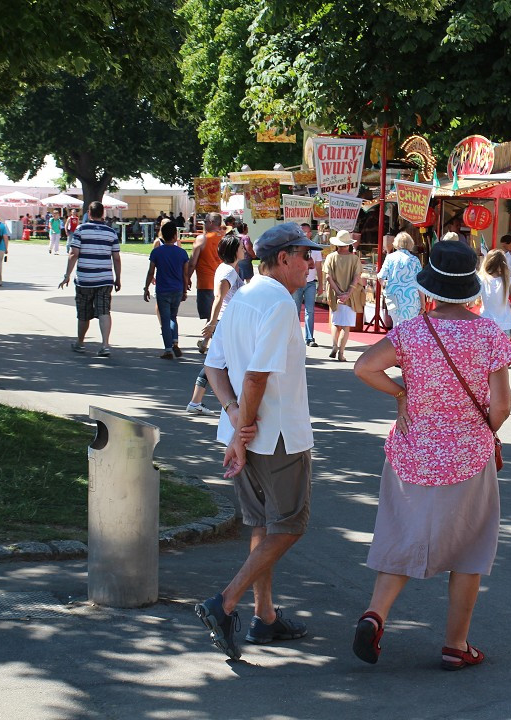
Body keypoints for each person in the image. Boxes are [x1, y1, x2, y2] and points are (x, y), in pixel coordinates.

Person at [351, 239, 511, 670]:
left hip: (410, 454)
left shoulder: (411, 331)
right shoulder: (488, 335)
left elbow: (364, 366)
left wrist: (401, 392)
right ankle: (456, 645)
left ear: (429, 291)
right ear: (470, 290)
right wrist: (484, 431)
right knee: (470, 550)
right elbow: (502, 405)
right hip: (468, 457)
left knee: (403, 536)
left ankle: (375, 614)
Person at [195, 222, 324, 661]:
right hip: (278, 435)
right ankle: (226, 602)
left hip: (248, 432)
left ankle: (264, 616)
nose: (310, 263)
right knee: (290, 525)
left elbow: (214, 368)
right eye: (305, 254)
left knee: (263, 525)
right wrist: (243, 429)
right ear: (283, 258)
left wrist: (234, 419)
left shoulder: (241, 296)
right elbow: (255, 376)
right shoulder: (280, 302)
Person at [187, 235, 246, 414]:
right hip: (226, 322)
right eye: (241, 247)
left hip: (226, 321)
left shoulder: (228, 269)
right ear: (234, 250)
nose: (244, 249)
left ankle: (197, 401)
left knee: (219, 362)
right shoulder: (228, 271)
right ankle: (201, 402)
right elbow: (219, 297)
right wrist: (212, 323)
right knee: (218, 363)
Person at [59, 201, 121, 357]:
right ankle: (105, 344)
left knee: (84, 312)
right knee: (104, 311)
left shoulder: (81, 230)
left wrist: (67, 275)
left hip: (85, 278)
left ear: (89, 213)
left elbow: (74, 254)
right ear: (103, 213)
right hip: (105, 278)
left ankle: (80, 343)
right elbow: (116, 257)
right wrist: (118, 278)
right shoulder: (110, 232)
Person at [144, 221, 190, 359]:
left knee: (165, 319)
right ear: (175, 236)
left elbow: (151, 271)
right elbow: (185, 274)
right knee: (173, 317)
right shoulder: (182, 253)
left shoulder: (157, 252)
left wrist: (146, 288)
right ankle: (175, 341)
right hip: (177, 289)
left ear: (162, 235)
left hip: (163, 289)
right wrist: (185, 290)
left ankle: (168, 349)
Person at [322, 230, 364, 361]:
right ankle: (341, 352)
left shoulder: (330, 257)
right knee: (346, 326)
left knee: (335, 323)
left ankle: (334, 345)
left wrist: (339, 293)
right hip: (350, 297)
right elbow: (357, 277)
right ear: (348, 244)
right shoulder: (354, 258)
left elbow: (328, 277)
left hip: (335, 295)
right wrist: (347, 293)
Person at [188, 212, 225, 353]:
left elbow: (192, 262)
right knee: (214, 315)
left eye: (205, 221)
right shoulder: (225, 239)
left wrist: (187, 278)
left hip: (206, 282)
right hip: (223, 283)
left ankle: (216, 346)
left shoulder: (202, 239)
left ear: (210, 222)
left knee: (211, 314)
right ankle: (205, 342)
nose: (203, 224)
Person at [377, 231, 425, 327]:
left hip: (394, 296)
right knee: (410, 327)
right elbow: (420, 283)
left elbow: (380, 276)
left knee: (396, 324)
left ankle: (397, 341)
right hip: (411, 297)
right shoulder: (415, 260)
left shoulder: (390, 258)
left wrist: (386, 286)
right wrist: (423, 304)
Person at [291, 222, 324, 346]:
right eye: (302, 231)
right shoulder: (295, 248)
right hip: (298, 283)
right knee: (295, 310)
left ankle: (310, 338)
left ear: (310, 233)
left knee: (310, 310)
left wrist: (321, 284)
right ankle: (294, 336)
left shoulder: (315, 249)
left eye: (307, 231)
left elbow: (319, 268)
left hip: (310, 283)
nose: (305, 234)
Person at [476, 249, 511, 336]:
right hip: (505, 324)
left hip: (486, 323)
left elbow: (472, 303)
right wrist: (509, 306)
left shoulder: (481, 279)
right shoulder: (508, 280)